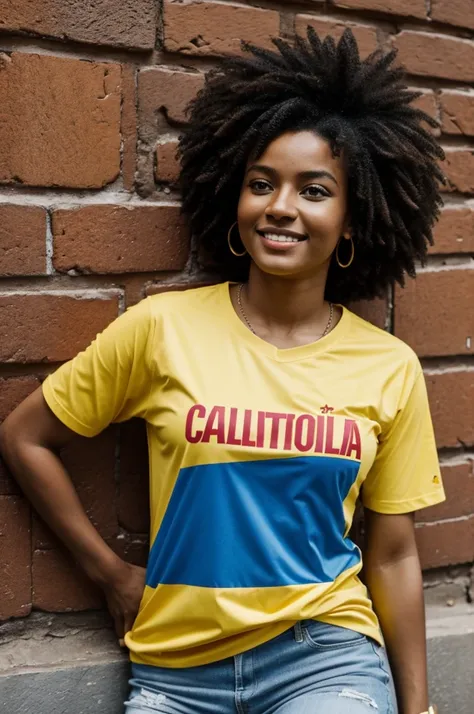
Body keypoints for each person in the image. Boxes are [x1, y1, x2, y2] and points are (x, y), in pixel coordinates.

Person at [0, 27, 445, 714]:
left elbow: (391, 555)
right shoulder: (163, 328)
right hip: (174, 673)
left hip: (323, 659)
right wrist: (111, 574)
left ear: (353, 220)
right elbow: (26, 438)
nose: (280, 207)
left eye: (314, 190)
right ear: (234, 204)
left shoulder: (388, 367)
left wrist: (419, 710)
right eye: (261, 184)